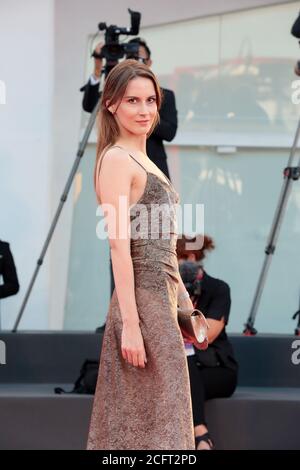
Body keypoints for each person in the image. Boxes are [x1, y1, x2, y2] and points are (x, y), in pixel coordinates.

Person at [86, 60, 195, 450]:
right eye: (133, 100)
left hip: (160, 302)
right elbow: (119, 246)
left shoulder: (146, 159)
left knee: (162, 416)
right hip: (141, 304)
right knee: (152, 419)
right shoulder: (116, 159)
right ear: (112, 104)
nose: (145, 110)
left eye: (151, 100)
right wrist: (130, 324)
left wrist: (181, 300)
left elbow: (162, 244)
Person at [81, 37, 178, 178]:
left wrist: (145, 117)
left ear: (149, 62)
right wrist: (97, 69)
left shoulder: (165, 95)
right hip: (121, 163)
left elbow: (170, 133)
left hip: (154, 165)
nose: (137, 63)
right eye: (132, 101)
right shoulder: (117, 93)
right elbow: (90, 105)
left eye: (150, 100)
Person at [176, 234, 238, 450]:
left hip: (218, 369)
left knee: (184, 371)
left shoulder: (218, 289)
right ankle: (200, 434)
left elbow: (207, 335)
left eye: (176, 260)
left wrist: (184, 308)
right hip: (184, 369)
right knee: (181, 373)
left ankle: (199, 434)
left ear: (191, 257)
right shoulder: (169, 290)